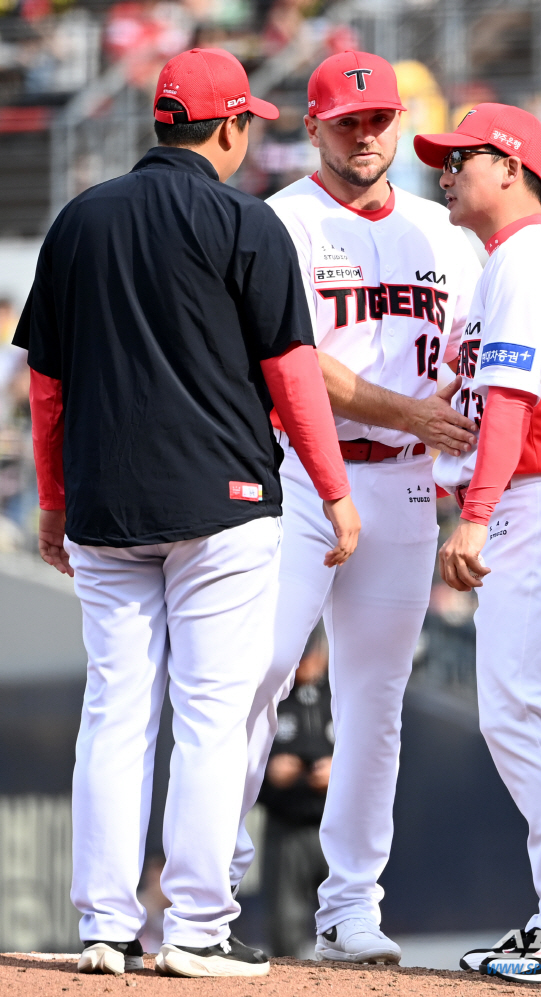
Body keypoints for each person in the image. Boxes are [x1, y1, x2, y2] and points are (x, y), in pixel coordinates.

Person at [13, 46, 360, 980]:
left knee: (114, 715)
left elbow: (45, 386)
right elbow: (293, 375)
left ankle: (105, 928)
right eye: (248, 122)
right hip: (225, 502)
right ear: (228, 126)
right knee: (212, 717)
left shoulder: (78, 220)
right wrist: (333, 489)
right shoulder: (244, 221)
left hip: (104, 503)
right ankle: (198, 929)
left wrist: (51, 501)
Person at [228, 50, 482, 965]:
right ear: (314, 127)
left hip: (409, 479)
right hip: (302, 469)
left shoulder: (443, 234)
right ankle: (217, 875)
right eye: (349, 121)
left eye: (380, 120)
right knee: (255, 675)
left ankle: (351, 905)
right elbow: (296, 364)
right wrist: (415, 411)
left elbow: (473, 359)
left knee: (376, 704)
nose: (367, 135)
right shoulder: (281, 223)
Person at [414, 103, 541, 981]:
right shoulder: (516, 260)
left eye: (462, 158)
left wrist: (477, 514)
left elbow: (512, 401)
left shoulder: (528, 257)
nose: (446, 170)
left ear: (512, 165)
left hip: (538, 502)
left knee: (514, 711)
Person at [259, 627, 333, 957]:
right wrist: (269, 770)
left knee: (344, 923)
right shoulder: (270, 692)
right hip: (285, 826)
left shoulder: (340, 693)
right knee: (286, 928)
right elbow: (237, 760)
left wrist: (341, 770)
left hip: (336, 826)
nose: (306, 661)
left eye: (312, 652)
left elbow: (380, 756)